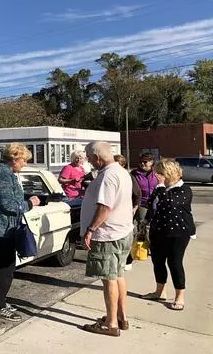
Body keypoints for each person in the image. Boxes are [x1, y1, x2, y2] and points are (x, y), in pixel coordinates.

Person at [0, 143, 41, 322]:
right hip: (1, 229)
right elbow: (9, 205)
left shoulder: (1, 171)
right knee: (4, 268)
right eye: (23, 160)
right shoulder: (3, 174)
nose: (24, 164)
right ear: (14, 158)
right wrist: (30, 203)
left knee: (0, 267)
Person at [80, 141, 134, 337]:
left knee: (108, 278)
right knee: (118, 274)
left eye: (88, 156)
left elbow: (105, 206)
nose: (88, 160)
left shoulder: (109, 176)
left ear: (97, 157)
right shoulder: (120, 171)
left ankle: (110, 324)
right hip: (122, 231)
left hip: (108, 235)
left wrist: (90, 230)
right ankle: (121, 317)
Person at [141, 159, 195, 311]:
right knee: (158, 261)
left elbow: (169, 203)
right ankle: (160, 291)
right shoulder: (160, 189)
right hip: (158, 230)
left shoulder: (184, 189)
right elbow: (152, 205)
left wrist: (160, 186)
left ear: (168, 174)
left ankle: (180, 296)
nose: (156, 176)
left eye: (159, 173)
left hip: (178, 232)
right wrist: (145, 221)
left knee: (174, 262)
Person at [114, 154, 142, 270]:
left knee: (127, 234)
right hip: (115, 210)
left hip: (126, 209)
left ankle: (128, 260)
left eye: (117, 164)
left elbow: (137, 193)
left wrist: (135, 207)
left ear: (122, 165)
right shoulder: (112, 175)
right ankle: (119, 259)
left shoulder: (128, 176)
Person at [130, 153, 158, 248]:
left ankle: (154, 243)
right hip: (142, 203)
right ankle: (143, 245)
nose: (142, 163)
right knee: (142, 224)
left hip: (155, 202)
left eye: (145, 162)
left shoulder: (156, 173)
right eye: (140, 161)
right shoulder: (134, 174)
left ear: (151, 162)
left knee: (154, 224)